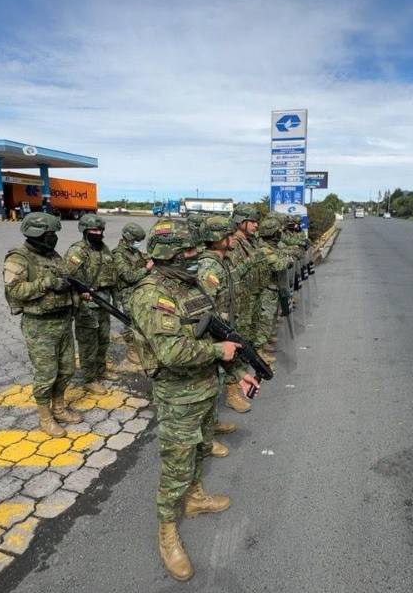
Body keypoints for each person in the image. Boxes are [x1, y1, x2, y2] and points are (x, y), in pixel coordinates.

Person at [127, 218, 259, 581]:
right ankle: (167, 530)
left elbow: (218, 330)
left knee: (201, 448)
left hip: (204, 388)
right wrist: (220, 350)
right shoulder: (150, 294)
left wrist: (236, 372)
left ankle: (196, 496)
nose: (193, 256)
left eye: (194, 250)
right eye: (186, 251)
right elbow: (170, 352)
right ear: (167, 255)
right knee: (176, 465)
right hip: (177, 395)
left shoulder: (190, 286)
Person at [3, 212, 82, 437]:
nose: (54, 238)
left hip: (63, 321)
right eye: (50, 234)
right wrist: (47, 283)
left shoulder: (53, 255)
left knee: (67, 369)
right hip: (39, 326)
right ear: (37, 234)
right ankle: (45, 418)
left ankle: (59, 407)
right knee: (46, 374)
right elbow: (15, 290)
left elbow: (65, 280)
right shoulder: (18, 258)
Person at [196, 215, 245, 452]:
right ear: (217, 239)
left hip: (223, 332)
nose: (233, 237)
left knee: (217, 382)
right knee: (209, 386)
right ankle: (204, 441)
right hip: (213, 337)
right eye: (228, 234)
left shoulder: (220, 261)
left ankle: (212, 423)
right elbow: (205, 310)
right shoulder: (209, 268)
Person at [65, 214, 116, 394]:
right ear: (85, 231)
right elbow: (67, 279)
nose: (98, 233)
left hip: (103, 304)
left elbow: (112, 273)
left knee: (103, 340)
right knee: (88, 344)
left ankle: (101, 370)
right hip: (87, 307)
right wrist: (80, 293)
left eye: (100, 230)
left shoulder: (104, 249)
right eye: (94, 230)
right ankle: (89, 379)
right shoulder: (77, 251)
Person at [225, 204, 261, 412]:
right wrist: (254, 260)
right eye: (253, 221)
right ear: (241, 222)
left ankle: (237, 383)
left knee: (243, 344)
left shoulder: (248, 242)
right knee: (234, 349)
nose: (256, 225)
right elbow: (232, 275)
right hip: (236, 304)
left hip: (247, 299)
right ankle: (231, 393)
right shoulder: (234, 244)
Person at [112, 222, 150, 364]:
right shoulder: (118, 254)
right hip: (126, 293)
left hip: (138, 290)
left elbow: (145, 258)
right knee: (131, 322)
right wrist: (146, 269)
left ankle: (140, 347)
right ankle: (132, 350)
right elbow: (128, 276)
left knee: (141, 321)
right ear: (128, 238)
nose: (138, 244)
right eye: (136, 241)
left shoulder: (135, 252)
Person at [255, 216, 291, 357]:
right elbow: (279, 264)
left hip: (273, 288)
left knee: (271, 317)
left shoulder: (272, 247)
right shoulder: (264, 249)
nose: (280, 233)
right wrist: (288, 259)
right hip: (266, 289)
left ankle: (266, 340)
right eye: (278, 231)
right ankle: (260, 348)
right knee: (265, 319)